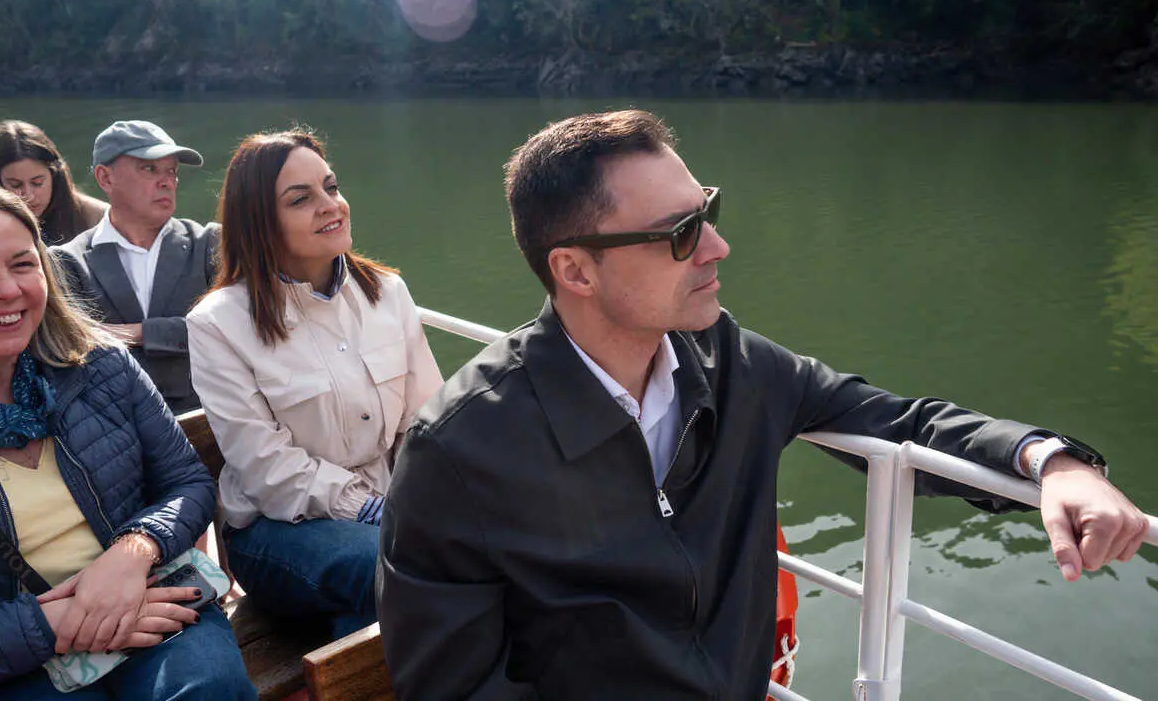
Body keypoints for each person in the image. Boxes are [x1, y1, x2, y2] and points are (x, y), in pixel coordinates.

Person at [376, 110, 1151, 699]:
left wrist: (1053, 463)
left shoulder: (731, 365)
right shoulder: (461, 452)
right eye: (680, 233)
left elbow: (899, 425)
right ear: (575, 271)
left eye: (706, 212)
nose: (716, 247)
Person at [0, 175, 255, 699]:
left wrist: (133, 550)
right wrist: (54, 624)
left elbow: (187, 482)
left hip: (149, 599)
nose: (8, 288)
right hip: (1, 660)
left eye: (22, 263)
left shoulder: (99, 365)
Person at [186, 128, 443, 638]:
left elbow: (427, 420)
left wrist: (430, 499)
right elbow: (267, 469)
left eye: (331, 186)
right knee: (387, 564)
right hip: (276, 530)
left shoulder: (387, 293)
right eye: (301, 199)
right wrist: (373, 509)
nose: (331, 206)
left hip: (394, 509)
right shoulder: (218, 324)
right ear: (260, 220)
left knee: (405, 580)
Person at [52, 120, 218, 414]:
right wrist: (181, 332)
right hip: (116, 429)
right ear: (105, 178)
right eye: (149, 169)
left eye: (171, 171)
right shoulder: (68, 261)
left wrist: (137, 333)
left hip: (211, 420)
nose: (166, 181)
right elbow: (72, 349)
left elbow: (231, 330)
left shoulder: (210, 243)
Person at [0, 120, 108, 246]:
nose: (28, 196)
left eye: (37, 183)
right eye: (16, 185)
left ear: (55, 175)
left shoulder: (98, 218)